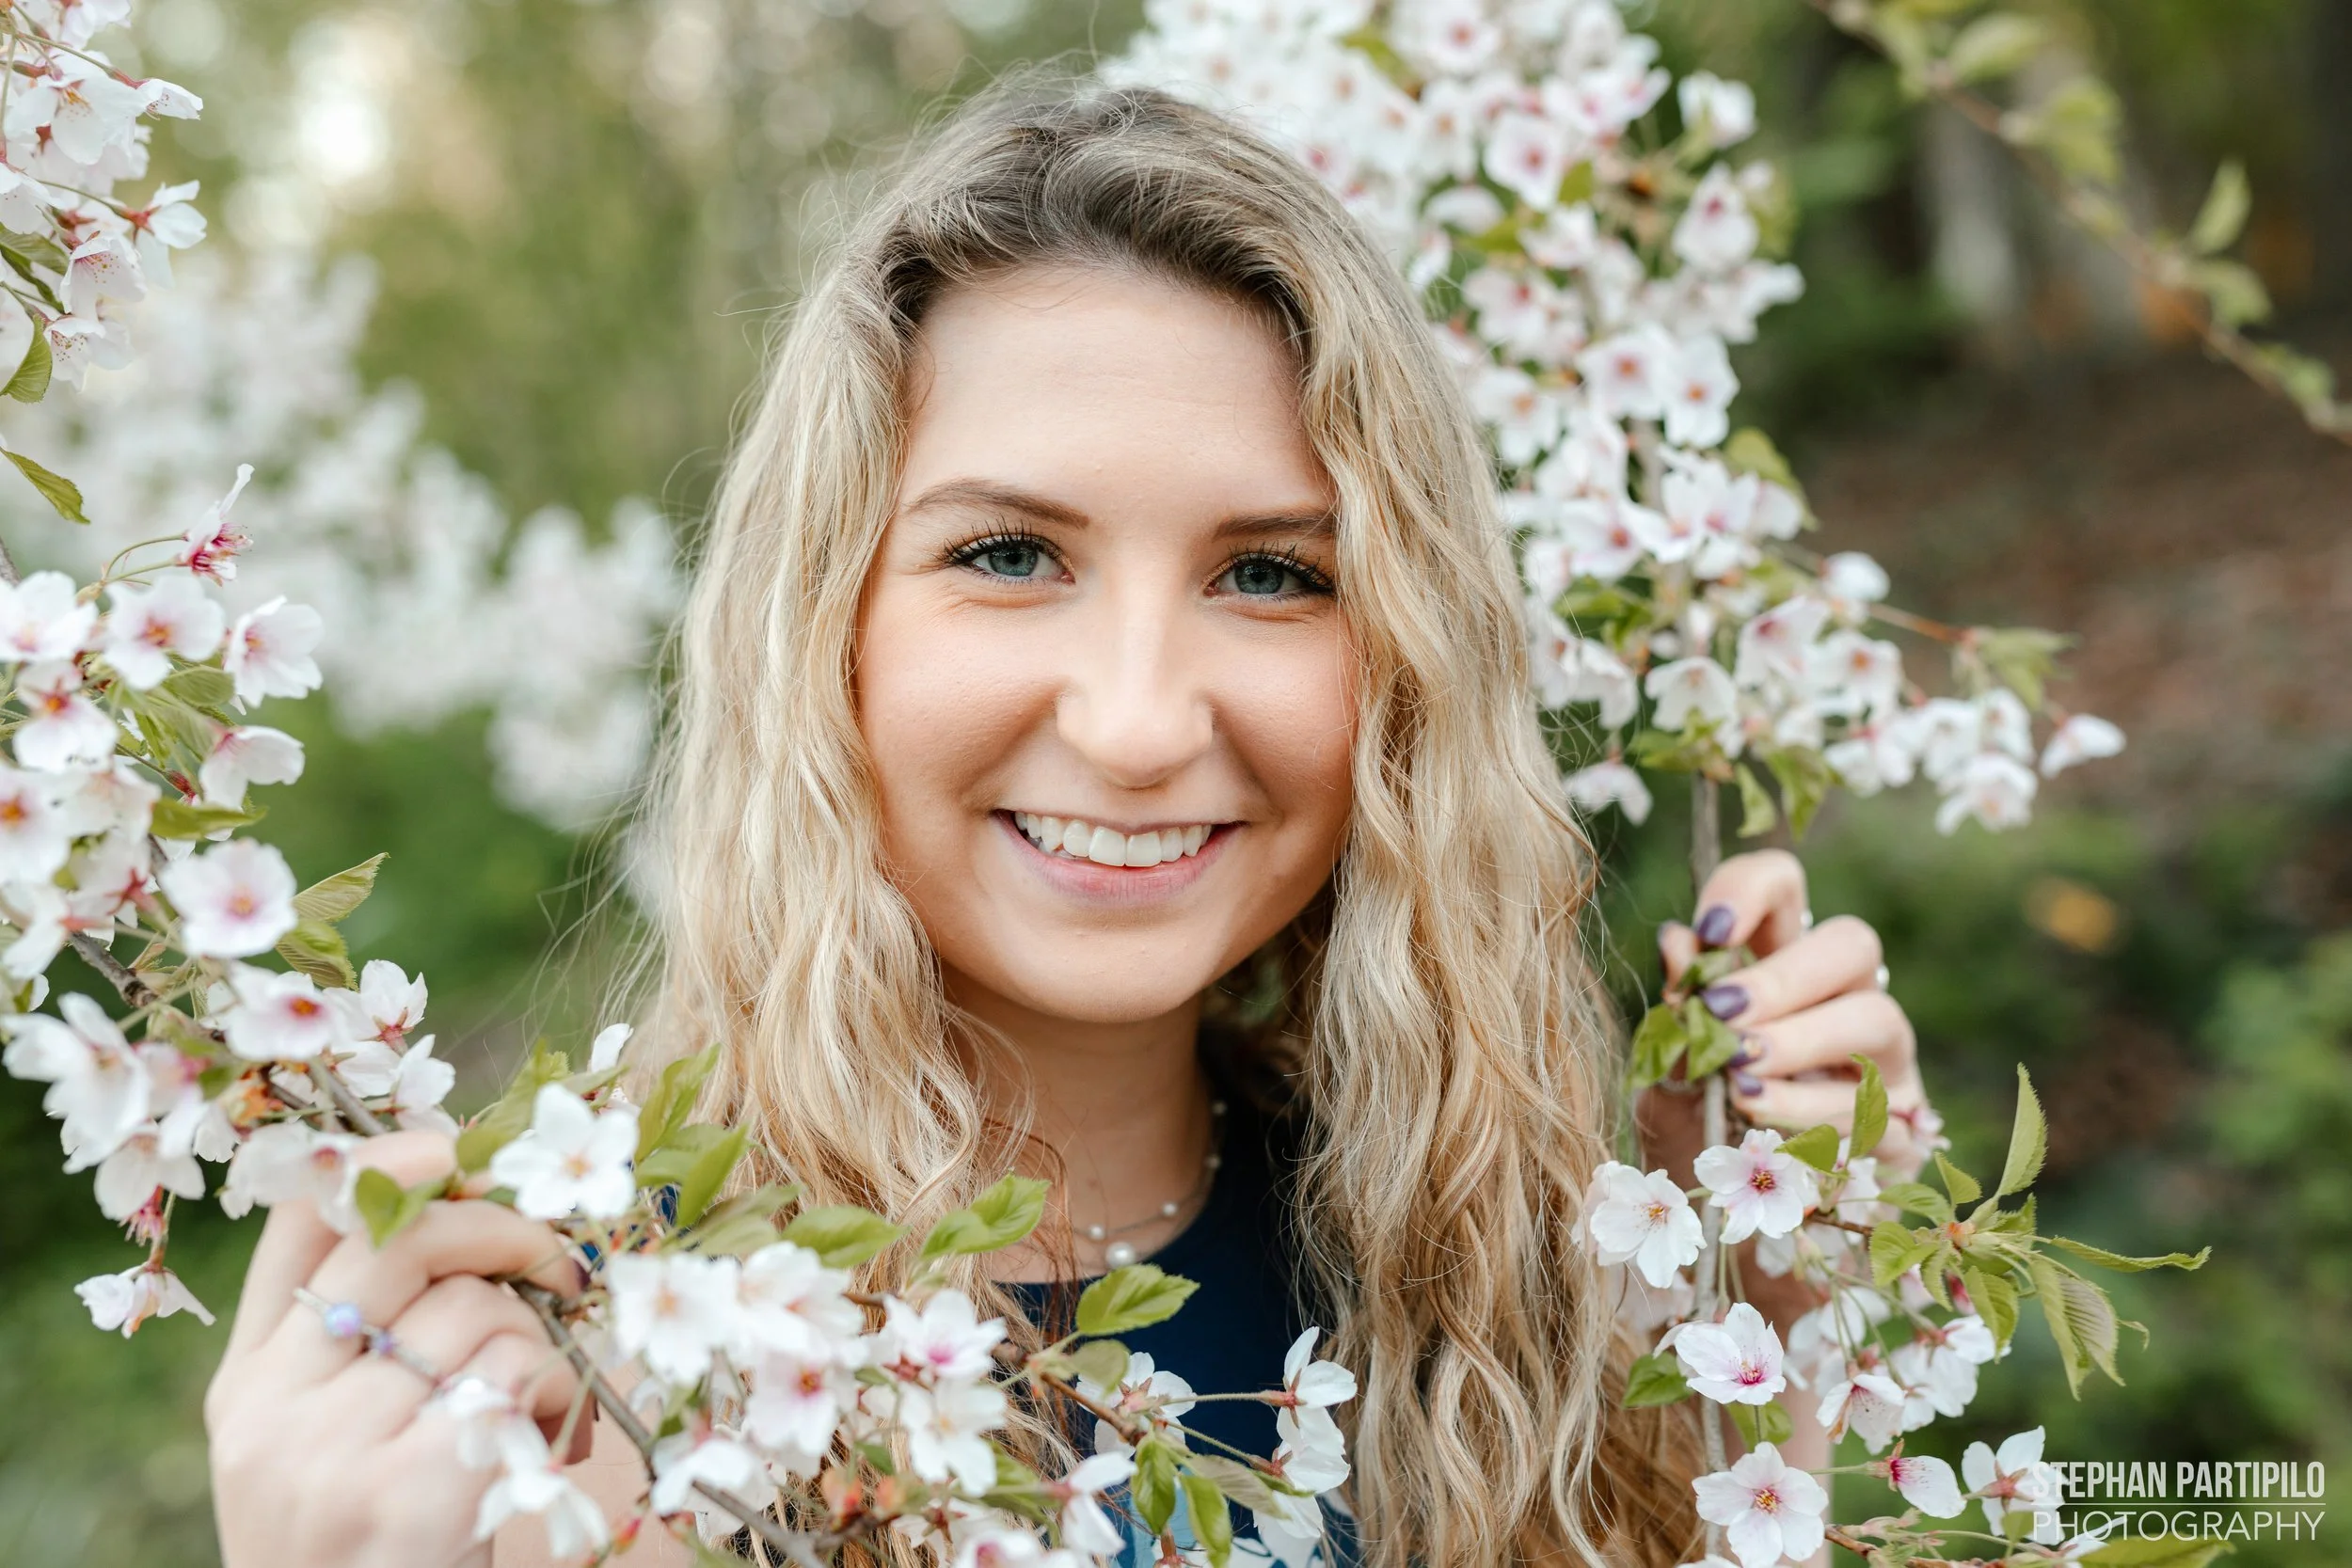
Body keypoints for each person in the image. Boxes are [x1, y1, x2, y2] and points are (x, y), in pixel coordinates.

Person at [203, 83, 1932, 1568]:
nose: (1135, 719)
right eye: (1008, 555)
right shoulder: (556, 1349)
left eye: (1271, 574)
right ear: (825, 630)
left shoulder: (1475, 1299)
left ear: (1402, 665)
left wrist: (1729, 1353)